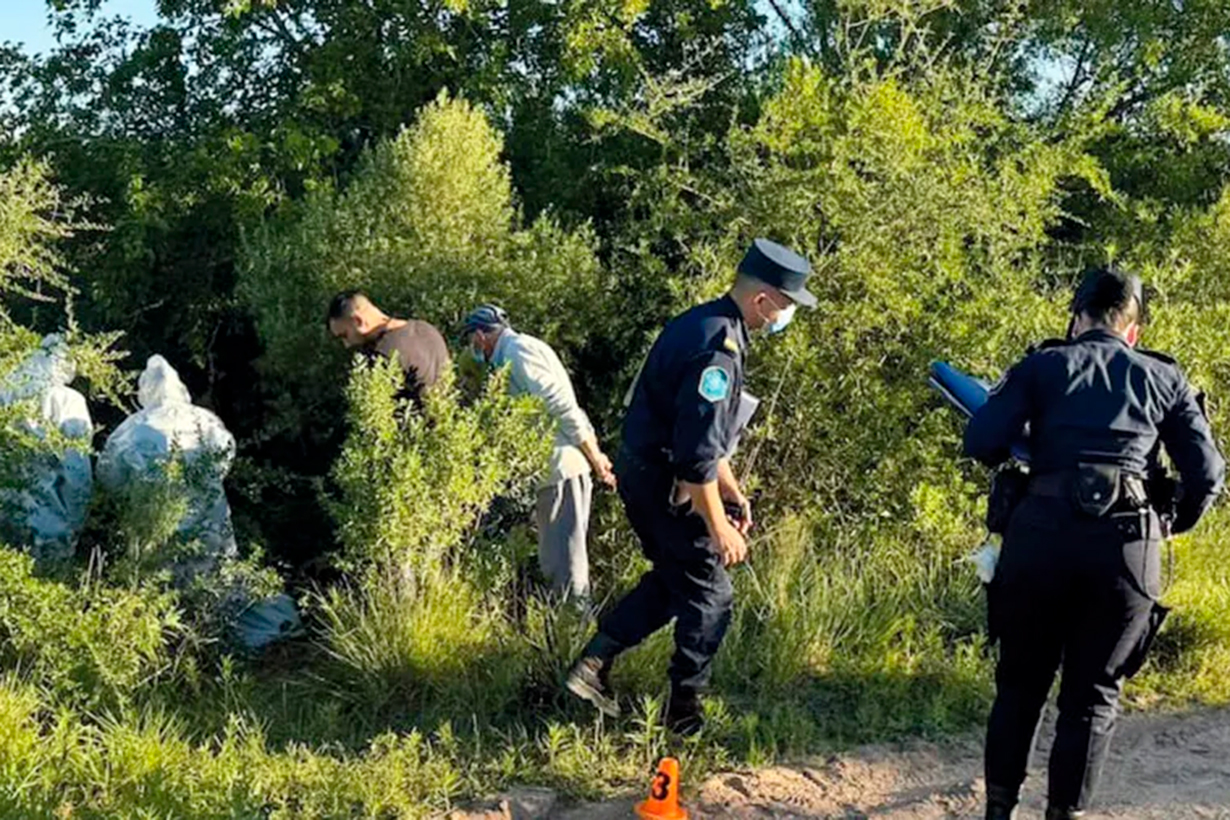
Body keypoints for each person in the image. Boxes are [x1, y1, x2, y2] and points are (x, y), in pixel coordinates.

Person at [963, 267, 1225, 820]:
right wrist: (1172, 523)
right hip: (1127, 549)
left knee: (1019, 685)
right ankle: (1064, 815)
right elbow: (1208, 475)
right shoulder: (1165, 378)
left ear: (1078, 319)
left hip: (1040, 541)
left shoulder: (1043, 365)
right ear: (1133, 332)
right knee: (1094, 695)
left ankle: (998, 811)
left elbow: (982, 441)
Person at [565, 238, 816, 735]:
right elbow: (694, 457)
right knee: (711, 595)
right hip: (665, 485)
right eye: (785, 307)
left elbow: (707, 440)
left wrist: (733, 491)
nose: (784, 318)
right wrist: (719, 526)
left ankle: (592, 665)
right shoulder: (717, 353)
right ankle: (684, 714)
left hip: (646, 473)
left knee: (677, 578)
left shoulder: (703, 322)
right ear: (762, 299)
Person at [462, 304, 617, 603]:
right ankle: (569, 637)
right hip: (555, 471)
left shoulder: (518, 352)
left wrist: (595, 457)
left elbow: (561, 405)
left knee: (565, 570)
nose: (472, 349)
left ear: (480, 336)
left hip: (561, 469)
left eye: (471, 341)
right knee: (558, 564)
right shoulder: (519, 350)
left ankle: (575, 642)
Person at [326, 290, 451, 404]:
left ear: (359, 321)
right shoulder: (425, 328)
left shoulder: (382, 355)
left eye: (344, 335)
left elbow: (376, 412)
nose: (346, 344)